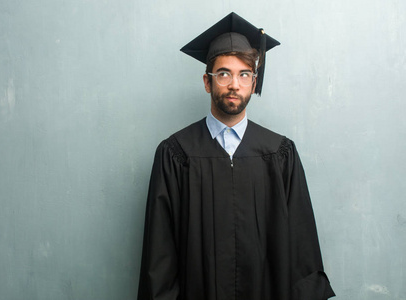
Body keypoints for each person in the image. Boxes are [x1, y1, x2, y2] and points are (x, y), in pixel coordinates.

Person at [137, 12, 335, 300]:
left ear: (254, 84)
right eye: (224, 73)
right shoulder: (176, 154)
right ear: (207, 82)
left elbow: (301, 244)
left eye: (244, 74)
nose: (234, 84)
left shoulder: (280, 154)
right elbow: (160, 252)